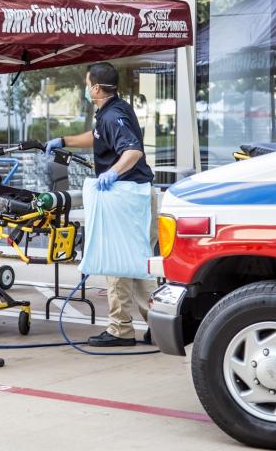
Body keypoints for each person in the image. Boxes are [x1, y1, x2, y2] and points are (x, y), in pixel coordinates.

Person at [45, 62, 157, 347]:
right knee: (139, 265)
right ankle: (159, 325)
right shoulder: (113, 110)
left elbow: (132, 150)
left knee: (117, 263)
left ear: (95, 87)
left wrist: (112, 172)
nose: (85, 88)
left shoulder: (113, 115)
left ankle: (120, 330)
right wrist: (64, 140)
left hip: (127, 196)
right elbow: (97, 139)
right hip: (137, 196)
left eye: (86, 83)